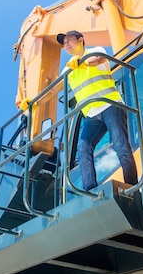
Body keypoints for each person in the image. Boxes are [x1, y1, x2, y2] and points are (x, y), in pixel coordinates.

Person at [56, 30, 138, 191]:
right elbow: (53, 92)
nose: (66, 44)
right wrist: (32, 102)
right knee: (83, 147)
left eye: (69, 40)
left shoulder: (96, 51)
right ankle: (90, 189)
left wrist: (82, 61)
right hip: (92, 115)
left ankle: (132, 186)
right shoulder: (67, 69)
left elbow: (96, 60)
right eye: (63, 42)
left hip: (110, 105)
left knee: (120, 144)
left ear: (81, 40)